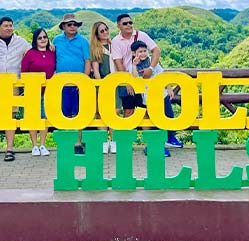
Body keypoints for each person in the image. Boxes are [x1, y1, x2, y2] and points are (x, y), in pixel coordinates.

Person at [111, 13, 183, 149]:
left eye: (130, 23)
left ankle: (155, 142)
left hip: (147, 80)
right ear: (118, 25)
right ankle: (126, 143)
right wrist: (127, 82)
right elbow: (118, 62)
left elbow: (156, 50)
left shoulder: (141, 35)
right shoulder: (115, 41)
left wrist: (151, 68)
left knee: (149, 111)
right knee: (128, 111)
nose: (129, 25)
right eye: (125, 23)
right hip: (128, 79)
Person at [0, 17, 30, 162]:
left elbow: (33, 52)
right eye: (5, 26)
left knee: (10, 117)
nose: (9, 28)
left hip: (13, 84)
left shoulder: (21, 42)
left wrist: (50, 46)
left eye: (11, 25)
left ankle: (9, 149)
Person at [53, 13, 91, 154]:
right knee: (64, 112)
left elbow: (87, 61)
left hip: (78, 82)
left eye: (75, 24)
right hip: (62, 82)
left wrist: (84, 81)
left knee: (78, 113)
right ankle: (66, 142)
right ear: (63, 26)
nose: (73, 27)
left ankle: (78, 143)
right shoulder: (56, 40)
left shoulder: (83, 41)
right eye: (69, 24)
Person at [128, 39, 172, 157]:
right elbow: (136, 79)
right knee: (149, 121)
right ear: (133, 53)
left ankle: (162, 145)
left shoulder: (154, 63)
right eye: (140, 51)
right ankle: (150, 145)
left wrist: (169, 88)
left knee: (163, 119)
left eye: (144, 51)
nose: (143, 53)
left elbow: (163, 75)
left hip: (160, 95)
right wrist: (134, 65)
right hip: (146, 97)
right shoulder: (131, 66)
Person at [20, 28, 55, 157]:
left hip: (48, 91)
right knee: (33, 118)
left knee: (44, 117)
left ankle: (43, 144)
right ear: (35, 40)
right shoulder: (30, 53)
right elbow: (24, 71)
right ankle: (34, 145)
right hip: (32, 90)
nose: (43, 40)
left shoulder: (52, 52)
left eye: (44, 37)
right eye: (39, 38)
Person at [89, 21, 116, 154]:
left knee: (115, 111)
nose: (105, 32)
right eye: (102, 31)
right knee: (101, 113)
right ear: (97, 34)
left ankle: (114, 140)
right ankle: (104, 142)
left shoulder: (114, 45)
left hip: (116, 83)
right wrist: (101, 86)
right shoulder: (96, 49)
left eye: (106, 29)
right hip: (103, 83)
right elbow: (96, 70)